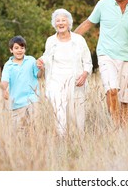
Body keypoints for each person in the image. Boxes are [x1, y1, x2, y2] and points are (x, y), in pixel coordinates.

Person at [74, 0, 128, 128]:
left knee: (125, 99)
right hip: (106, 54)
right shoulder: (103, 4)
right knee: (111, 90)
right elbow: (87, 24)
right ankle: (115, 125)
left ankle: (124, 129)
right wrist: (68, 40)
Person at [37, 8, 92, 137]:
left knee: (76, 112)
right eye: (57, 21)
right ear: (54, 24)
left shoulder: (78, 40)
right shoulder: (51, 40)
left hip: (76, 80)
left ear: (69, 23)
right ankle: (62, 137)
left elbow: (88, 62)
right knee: (59, 108)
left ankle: (78, 137)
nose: (60, 23)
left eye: (63, 20)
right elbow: (47, 56)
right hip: (56, 80)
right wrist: (40, 61)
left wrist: (84, 75)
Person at [1, 35, 40, 131]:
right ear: (11, 50)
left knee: (34, 126)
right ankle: (21, 145)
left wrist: (41, 68)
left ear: (25, 49)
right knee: (19, 129)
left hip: (32, 99)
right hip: (17, 101)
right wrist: (4, 89)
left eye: (22, 48)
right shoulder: (8, 65)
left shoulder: (31, 60)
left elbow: (38, 74)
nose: (19, 50)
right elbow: (5, 80)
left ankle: (34, 144)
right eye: (16, 48)